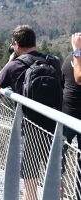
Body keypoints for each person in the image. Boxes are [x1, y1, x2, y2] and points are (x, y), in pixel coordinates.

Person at [0, 25, 63, 200]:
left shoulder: (14, 65)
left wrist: (8, 62)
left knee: (30, 182)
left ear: (16, 45)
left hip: (29, 128)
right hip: (55, 127)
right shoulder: (54, 61)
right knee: (56, 176)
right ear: (35, 42)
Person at [62, 32, 81, 199]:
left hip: (67, 117)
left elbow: (78, 77)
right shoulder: (69, 60)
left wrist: (76, 51)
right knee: (58, 159)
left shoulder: (72, 57)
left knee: (58, 157)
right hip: (68, 116)